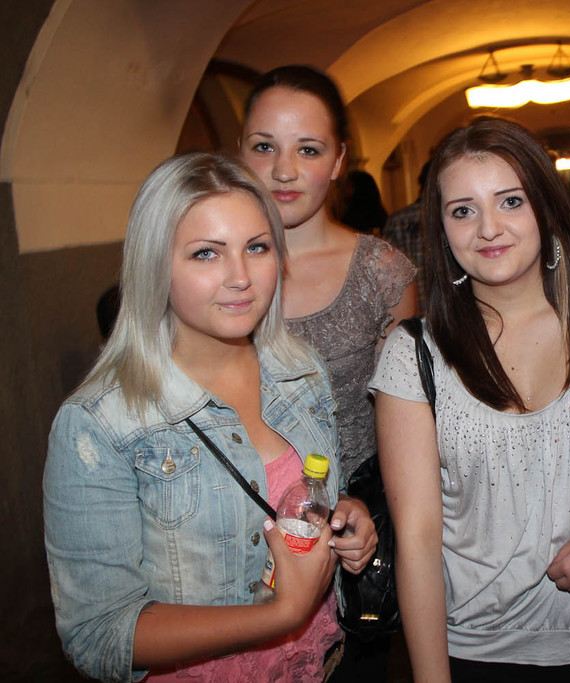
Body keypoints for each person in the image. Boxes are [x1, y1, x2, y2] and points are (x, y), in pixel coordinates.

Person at [43, 153, 377, 682]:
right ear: (154, 266)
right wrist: (281, 615)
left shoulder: (300, 371)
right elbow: (99, 635)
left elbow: (304, 494)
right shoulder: (100, 424)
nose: (240, 277)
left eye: (257, 247)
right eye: (206, 253)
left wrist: (342, 515)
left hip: (326, 665)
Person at [370, 117, 570, 682]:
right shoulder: (415, 355)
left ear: (546, 206)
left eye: (511, 201)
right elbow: (418, 541)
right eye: (463, 210)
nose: (488, 228)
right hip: (473, 652)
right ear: (442, 230)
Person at [240, 64, 417, 678]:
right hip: (234, 525)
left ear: (339, 160)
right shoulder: (210, 269)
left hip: (350, 537)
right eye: (264, 146)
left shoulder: (381, 272)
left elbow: (405, 429)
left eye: (308, 150)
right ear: (239, 153)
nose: (284, 170)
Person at [382, 159, 432, 311]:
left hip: (410, 314)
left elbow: (388, 277)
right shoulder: (452, 218)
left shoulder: (398, 220)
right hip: (449, 313)